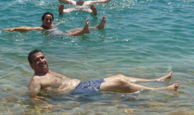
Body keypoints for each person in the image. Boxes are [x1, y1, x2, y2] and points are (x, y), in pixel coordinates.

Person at [28, 49, 180, 98]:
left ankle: (157, 80)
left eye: (42, 57)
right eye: (37, 60)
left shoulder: (50, 72)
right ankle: (162, 90)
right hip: (78, 92)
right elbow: (33, 97)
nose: (42, 61)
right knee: (121, 84)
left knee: (120, 76)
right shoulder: (36, 79)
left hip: (84, 84)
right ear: (32, 65)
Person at [2, 12, 106, 36]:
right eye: (46, 19)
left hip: (59, 31)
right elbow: (27, 28)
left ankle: (96, 27)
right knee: (68, 35)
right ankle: (84, 31)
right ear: (42, 20)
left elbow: (55, 25)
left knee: (75, 28)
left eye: (50, 19)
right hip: (56, 36)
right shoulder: (41, 28)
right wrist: (14, 28)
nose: (48, 21)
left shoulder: (52, 25)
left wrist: (61, 22)